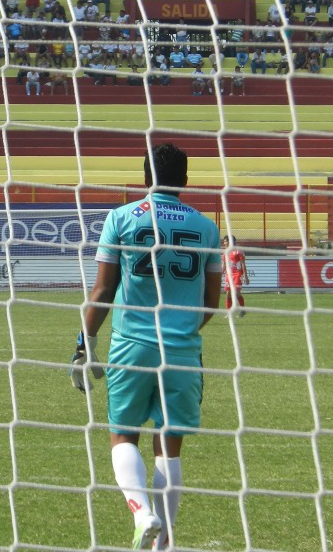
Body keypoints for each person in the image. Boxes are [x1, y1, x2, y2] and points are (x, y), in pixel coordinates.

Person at [69, 143, 222, 551]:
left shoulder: (120, 218)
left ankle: (141, 513)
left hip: (131, 345)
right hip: (182, 350)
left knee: (122, 436)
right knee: (168, 447)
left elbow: (103, 290)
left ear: (144, 178)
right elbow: (212, 301)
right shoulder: (207, 227)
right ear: (186, 180)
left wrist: (87, 343)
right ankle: (164, 544)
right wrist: (183, 329)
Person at [222, 234, 249, 317]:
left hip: (237, 274)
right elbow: (225, 265)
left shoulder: (238, 252)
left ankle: (242, 310)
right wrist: (221, 274)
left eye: (225, 241)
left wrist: (245, 276)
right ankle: (229, 312)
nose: (224, 243)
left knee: (237, 293)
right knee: (228, 293)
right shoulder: (225, 253)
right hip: (228, 275)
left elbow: (243, 264)